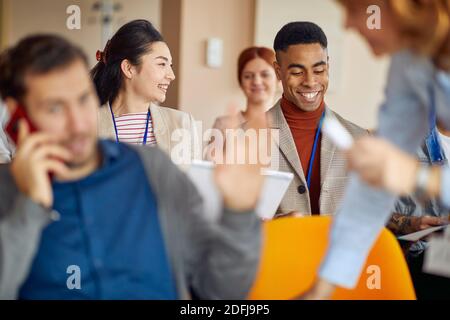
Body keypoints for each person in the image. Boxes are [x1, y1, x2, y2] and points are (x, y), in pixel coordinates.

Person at [0, 34, 265, 300]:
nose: (79, 124)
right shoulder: (7, 192)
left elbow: (219, 292)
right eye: (55, 108)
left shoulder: (153, 169)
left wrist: (239, 212)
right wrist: (29, 209)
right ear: (17, 116)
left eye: (83, 100)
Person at [305, 0, 450, 299]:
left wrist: (421, 178)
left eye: (354, 9)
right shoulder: (409, 65)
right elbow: (372, 192)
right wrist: (320, 289)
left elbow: (406, 174)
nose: (347, 24)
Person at [268, 22, 367, 216]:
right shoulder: (244, 138)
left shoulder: (359, 139)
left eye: (319, 71)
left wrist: (410, 224)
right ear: (278, 71)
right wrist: (275, 227)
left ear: (328, 66)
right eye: (297, 72)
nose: (310, 82)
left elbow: (371, 213)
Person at [92, 20, 200, 167]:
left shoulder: (183, 125)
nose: (171, 75)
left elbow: (192, 185)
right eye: (162, 64)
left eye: (170, 66)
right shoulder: (87, 125)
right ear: (129, 68)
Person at [212, 46, 279, 132]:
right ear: (241, 82)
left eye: (265, 75)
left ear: (279, 79)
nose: (257, 81)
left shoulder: (289, 126)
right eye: (248, 76)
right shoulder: (223, 125)